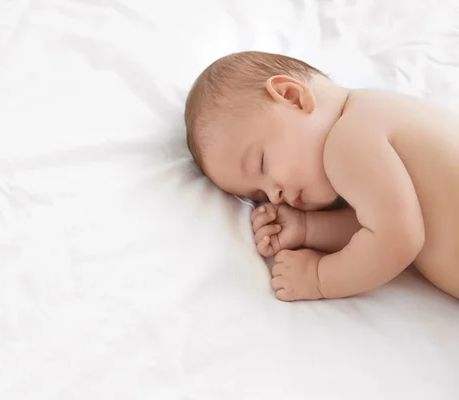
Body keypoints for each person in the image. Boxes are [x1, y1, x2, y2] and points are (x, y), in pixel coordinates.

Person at [184, 51, 459, 301]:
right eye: (258, 195)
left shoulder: (347, 140)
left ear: (292, 96)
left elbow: (397, 238)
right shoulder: (373, 109)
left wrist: (318, 278)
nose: (273, 195)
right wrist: (308, 227)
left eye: (262, 164)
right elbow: (380, 220)